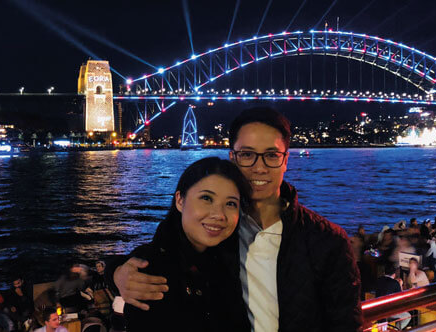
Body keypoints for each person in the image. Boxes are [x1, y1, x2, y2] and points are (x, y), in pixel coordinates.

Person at [109, 107, 362, 332]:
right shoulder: (217, 229)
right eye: (247, 154)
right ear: (233, 158)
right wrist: (118, 272)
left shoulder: (328, 241)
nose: (259, 168)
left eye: (272, 155)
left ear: (286, 160)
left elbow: (345, 324)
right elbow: (168, 249)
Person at [123, 157, 251, 332]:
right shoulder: (150, 272)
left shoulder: (234, 260)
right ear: (180, 201)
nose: (219, 215)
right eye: (206, 198)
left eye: (230, 203)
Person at [375, 264, 411, 330]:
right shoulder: (395, 283)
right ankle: (396, 329)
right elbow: (401, 298)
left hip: (377, 311)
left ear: (384, 272)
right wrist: (400, 285)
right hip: (388, 311)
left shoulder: (379, 280)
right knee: (408, 316)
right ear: (394, 274)